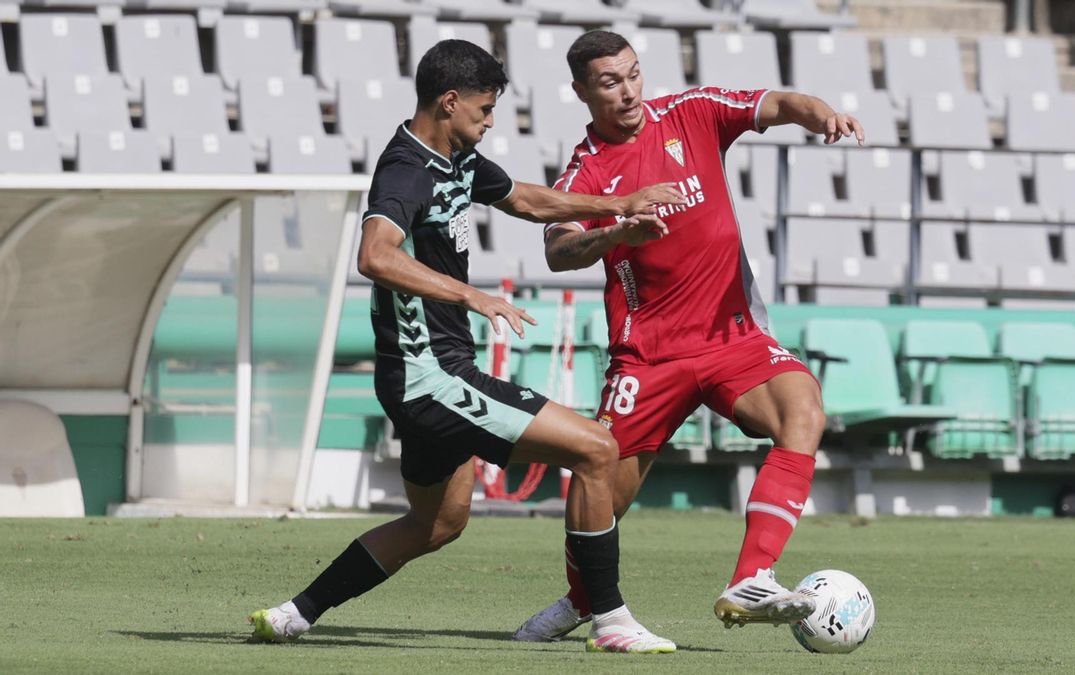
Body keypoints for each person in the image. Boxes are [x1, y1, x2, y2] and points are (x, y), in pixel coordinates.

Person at [248, 39, 684, 654]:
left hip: (428, 377)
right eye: (483, 109)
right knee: (596, 449)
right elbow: (374, 254)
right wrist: (468, 294)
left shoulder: (457, 157)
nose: (490, 120)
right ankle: (611, 621)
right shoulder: (406, 170)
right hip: (431, 376)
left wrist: (615, 204)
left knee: (438, 523)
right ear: (449, 102)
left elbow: (528, 200)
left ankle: (293, 614)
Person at [513, 30, 866, 642]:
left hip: (733, 337)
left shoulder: (691, 114)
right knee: (600, 492)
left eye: (632, 74)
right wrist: (620, 227)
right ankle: (580, 601)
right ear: (581, 92)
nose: (627, 92)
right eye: (609, 82)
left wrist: (822, 115)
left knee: (803, 410)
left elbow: (777, 104)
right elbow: (558, 251)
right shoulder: (587, 169)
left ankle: (752, 577)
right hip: (649, 356)